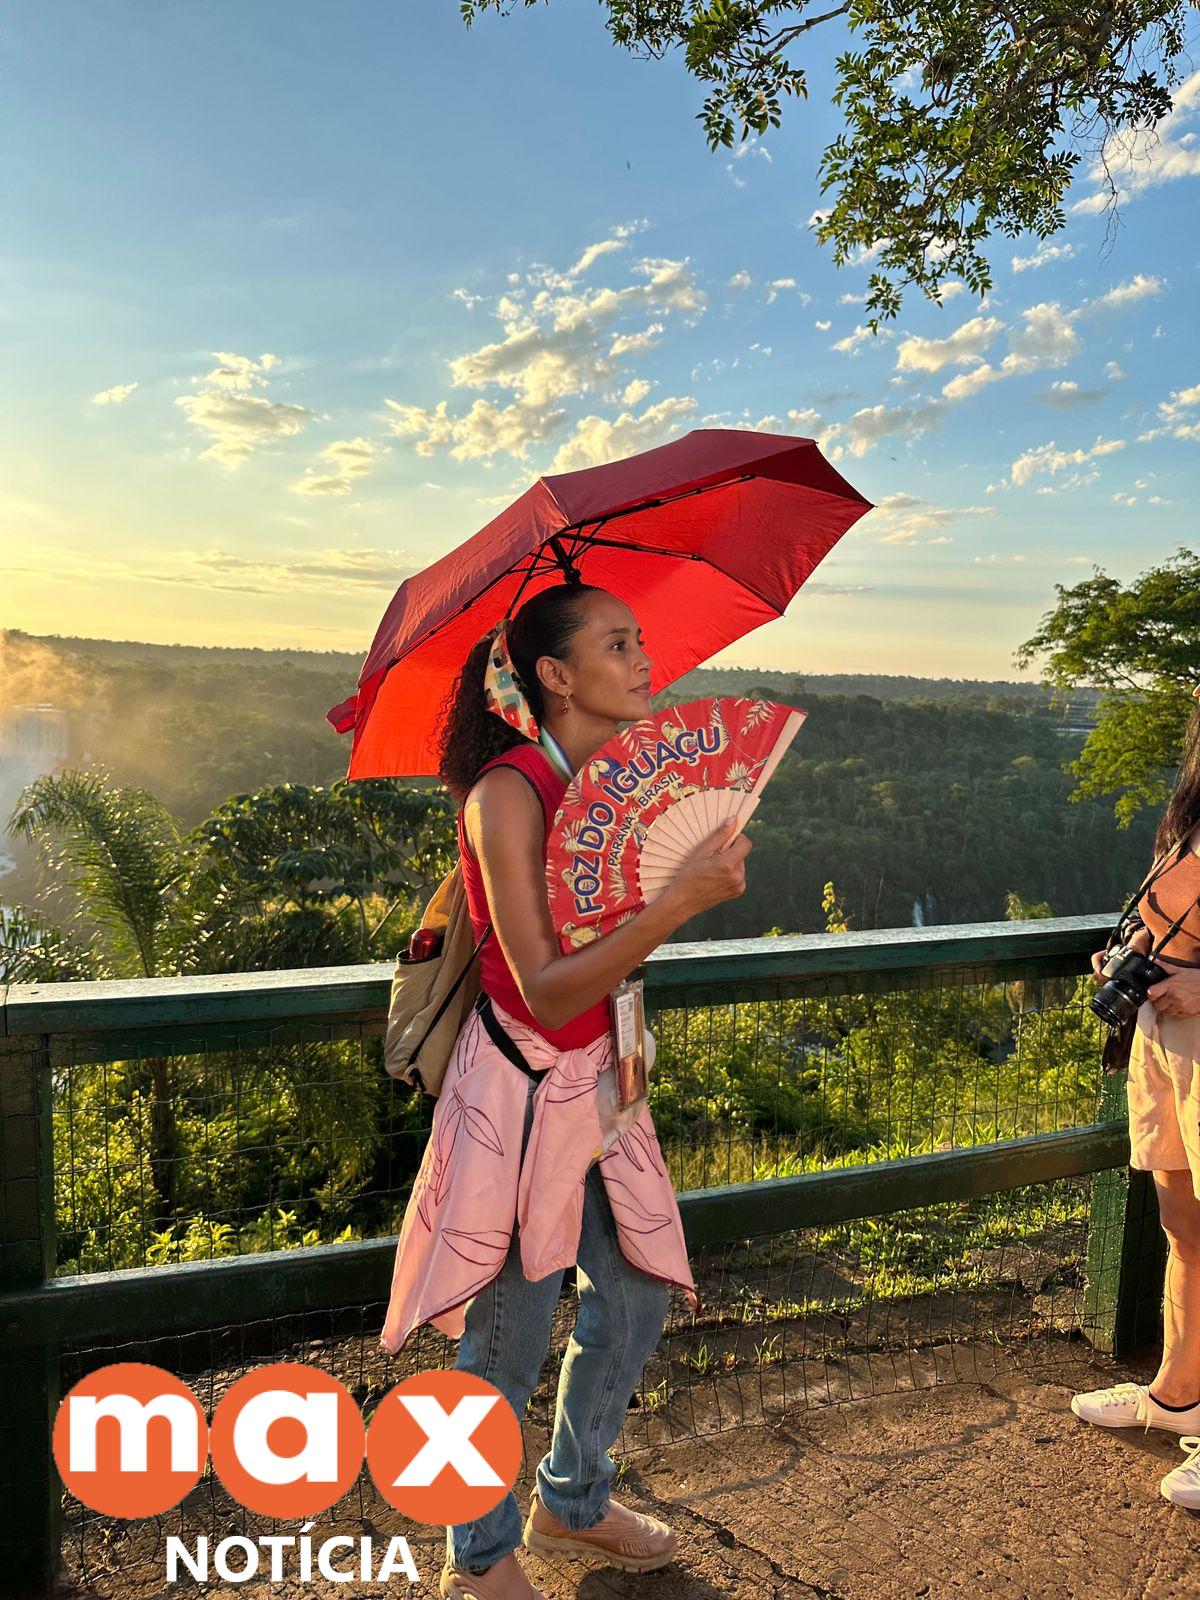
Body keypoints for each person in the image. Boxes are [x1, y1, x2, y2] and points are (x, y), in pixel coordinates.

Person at [379, 579, 752, 1600]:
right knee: (505, 1338)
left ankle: (571, 1500)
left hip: (605, 1079)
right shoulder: (507, 791)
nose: (644, 660)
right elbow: (541, 988)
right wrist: (675, 902)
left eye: (640, 641)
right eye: (619, 643)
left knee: (631, 1296)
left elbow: (608, 961)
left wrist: (674, 883)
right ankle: (482, 1556)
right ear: (554, 674)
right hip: (521, 1094)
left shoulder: (609, 789)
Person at [1072, 679, 1200, 1510]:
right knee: (1183, 1227)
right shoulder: (1190, 813)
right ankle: (1177, 1393)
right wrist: (1129, 956)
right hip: (1164, 1045)